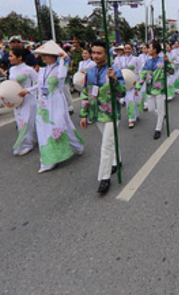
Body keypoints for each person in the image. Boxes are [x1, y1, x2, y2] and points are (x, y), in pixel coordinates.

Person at [80, 40, 126, 194]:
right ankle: (117, 161)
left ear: (107, 54)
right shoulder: (90, 72)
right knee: (109, 141)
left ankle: (104, 179)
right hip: (96, 113)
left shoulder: (115, 70)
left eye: (99, 53)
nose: (95, 56)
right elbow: (86, 93)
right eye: (93, 52)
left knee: (106, 145)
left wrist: (114, 80)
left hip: (112, 113)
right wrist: (84, 114)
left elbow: (123, 92)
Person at [34, 43, 85, 173]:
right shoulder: (42, 70)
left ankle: (78, 146)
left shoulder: (60, 68)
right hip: (43, 103)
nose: (44, 58)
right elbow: (39, 86)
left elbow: (61, 77)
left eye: (46, 55)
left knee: (61, 126)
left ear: (53, 56)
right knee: (44, 130)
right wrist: (26, 91)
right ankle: (48, 160)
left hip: (56, 102)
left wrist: (62, 60)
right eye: (43, 55)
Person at [135, 41, 174, 140]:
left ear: (155, 49)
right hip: (149, 89)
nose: (148, 50)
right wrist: (137, 87)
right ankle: (161, 117)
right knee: (151, 109)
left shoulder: (162, 60)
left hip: (160, 89)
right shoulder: (148, 62)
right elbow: (142, 75)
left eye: (150, 48)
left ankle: (158, 129)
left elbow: (171, 71)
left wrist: (167, 62)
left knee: (160, 108)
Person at [8, 48, 39, 156]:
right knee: (20, 122)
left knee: (26, 121)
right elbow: (11, 84)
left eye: (11, 56)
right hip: (17, 100)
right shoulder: (11, 70)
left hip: (28, 100)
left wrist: (28, 90)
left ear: (19, 57)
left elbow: (40, 83)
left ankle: (26, 145)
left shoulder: (29, 70)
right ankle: (31, 140)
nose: (9, 58)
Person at [117, 43, 141, 128]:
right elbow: (119, 70)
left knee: (130, 100)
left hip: (133, 82)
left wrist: (137, 80)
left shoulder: (136, 59)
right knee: (129, 100)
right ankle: (135, 115)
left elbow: (140, 70)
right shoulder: (120, 59)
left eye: (129, 49)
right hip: (124, 82)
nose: (127, 50)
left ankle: (131, 119)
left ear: (132, 49)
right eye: (126, 49)